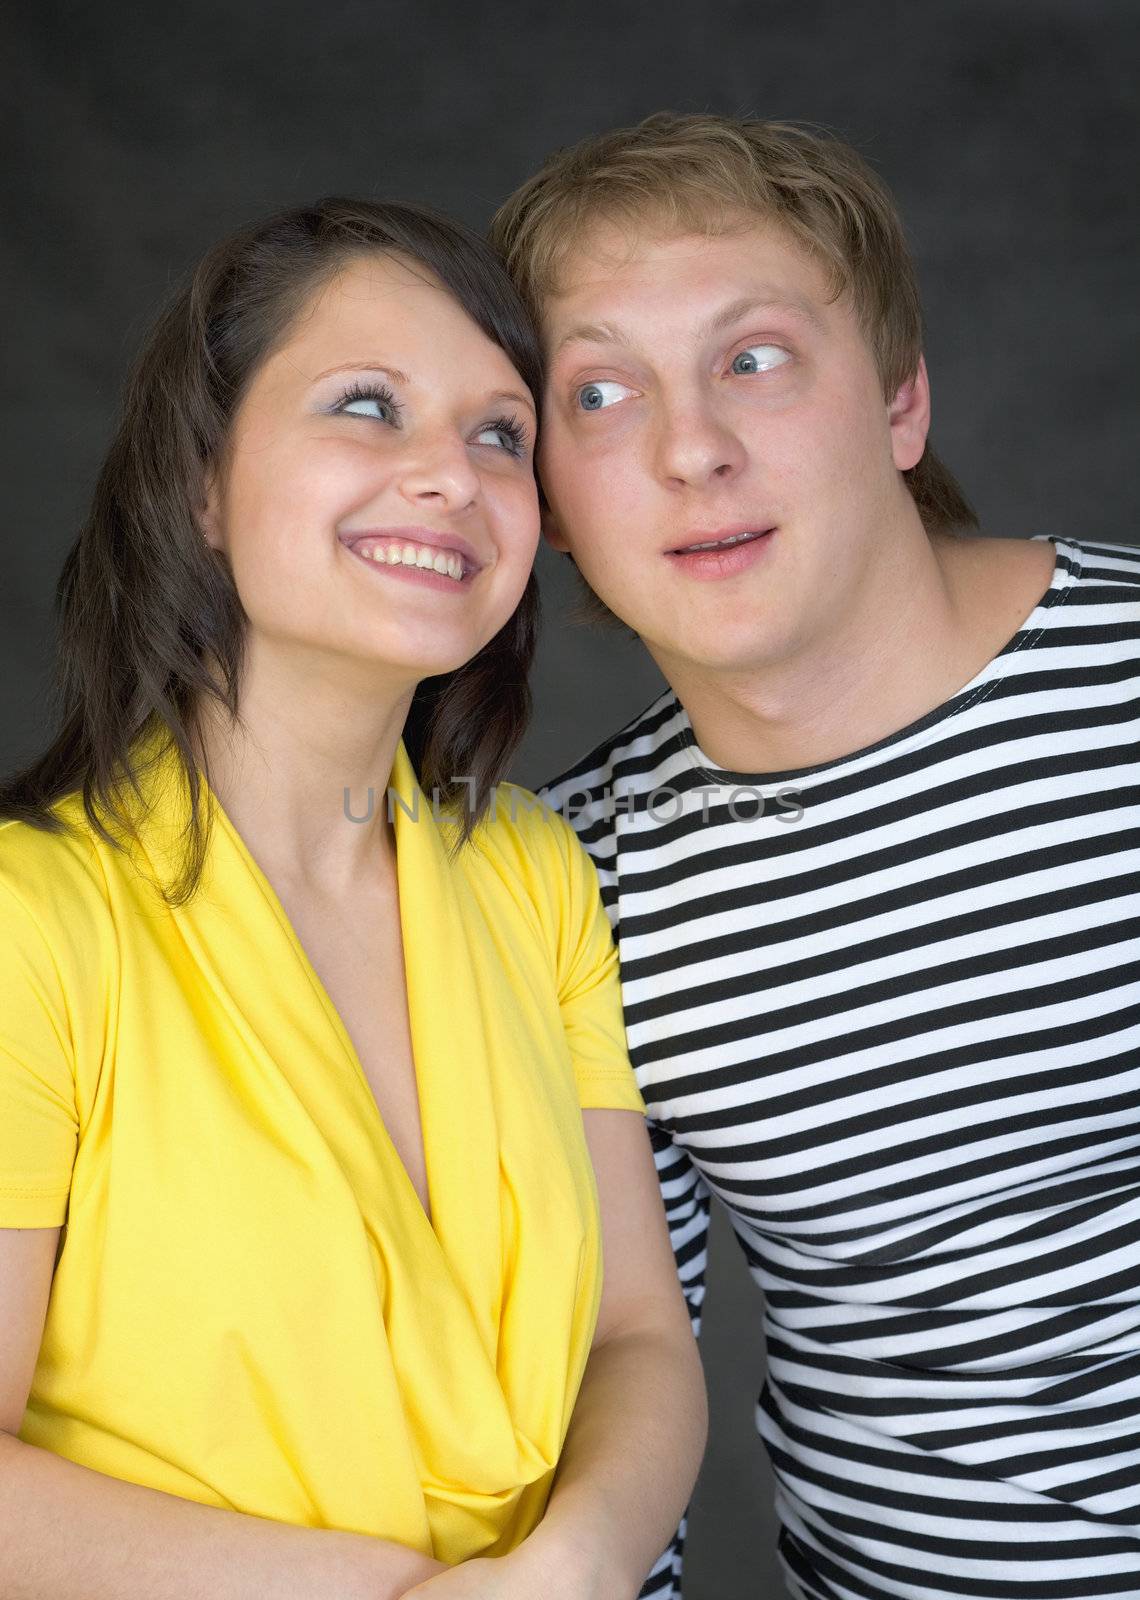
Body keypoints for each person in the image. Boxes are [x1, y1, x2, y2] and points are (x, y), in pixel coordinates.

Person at [0, 197, 707, 1600]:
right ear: (201, 482)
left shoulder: (534, 875)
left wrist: (567, 1570)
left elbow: (641, 1336)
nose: (450, 474)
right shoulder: (32, 926)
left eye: (498, 434)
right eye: (368, 406)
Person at [490, 113, 1140, 1600]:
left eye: (755, 358)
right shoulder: (571, 884)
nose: (691, 448)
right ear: (553, 506)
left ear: (901, 403)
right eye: (599, 392)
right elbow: (612, 1381)